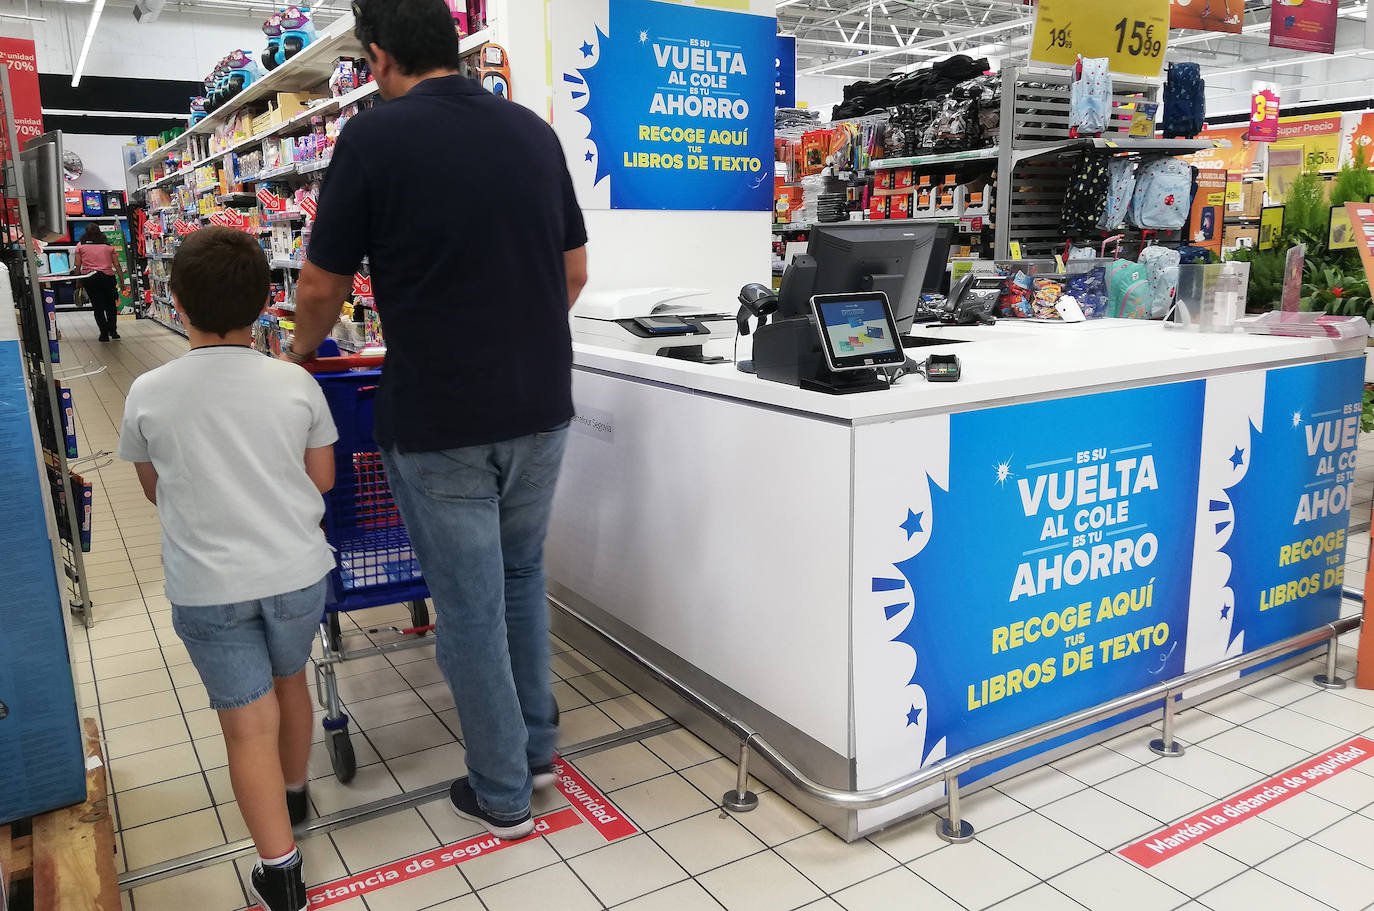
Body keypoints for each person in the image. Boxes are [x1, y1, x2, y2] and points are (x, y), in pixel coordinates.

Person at [286, 0, 589, 841]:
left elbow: (319, 286)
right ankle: (534, 755)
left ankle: (501, 794)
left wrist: (298, 359)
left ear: (378, 57)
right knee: (522, 582)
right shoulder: (533, 132)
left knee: (466, 609)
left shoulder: (374, 139)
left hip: (441, 417)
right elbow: (574, 271)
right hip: (542, 407)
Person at [118, 227, 338, 911]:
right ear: (266, 301)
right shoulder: (294, 382)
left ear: (176, 300)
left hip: (208, 587)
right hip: (296, 574)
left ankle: (281, 871)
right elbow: (323, 479)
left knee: (246, 723)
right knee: (291, 680)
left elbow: (155, 489)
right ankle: (295, 794)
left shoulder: (148, 392)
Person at [72, 224, 125, 342]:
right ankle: (113, 331)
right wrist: (122, 282)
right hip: (107, 278)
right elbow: (117, 265)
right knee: (111, 305)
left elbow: (78, 266)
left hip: (90, 278)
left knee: (98, 307)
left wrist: (78, 280)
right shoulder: (108, 246)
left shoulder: (80, 246)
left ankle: (104, 333)